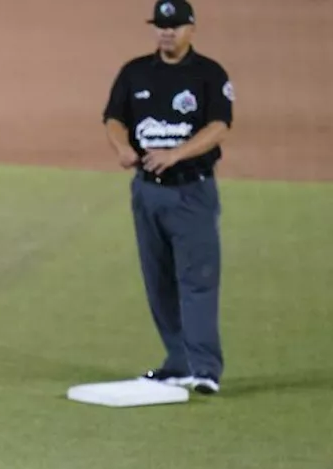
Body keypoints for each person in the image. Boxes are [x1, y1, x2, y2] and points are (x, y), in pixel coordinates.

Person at [103, 0, 234, 395]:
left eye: (175, 26)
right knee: (158, 281)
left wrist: (176, 154)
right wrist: (121, 148)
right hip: (146, 192)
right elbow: (113, 118)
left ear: (191, 29)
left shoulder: (209, 74)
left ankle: (205, 368)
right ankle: (178, 362)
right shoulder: (135, 72)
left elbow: (219, 125)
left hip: (191, 190)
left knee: (197, 281)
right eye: (161, 25)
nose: (166, 32)